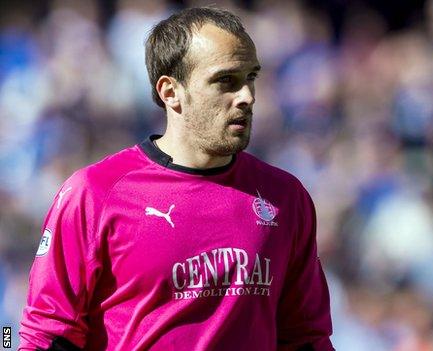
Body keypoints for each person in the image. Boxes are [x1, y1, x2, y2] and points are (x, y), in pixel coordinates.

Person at [19, 7, 334, 351]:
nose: (247, 96)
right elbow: (44, 335)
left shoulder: (284, 197)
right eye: (226, 80)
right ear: (170, 92)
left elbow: (307, 338)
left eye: (251, 78)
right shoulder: (94, 193)